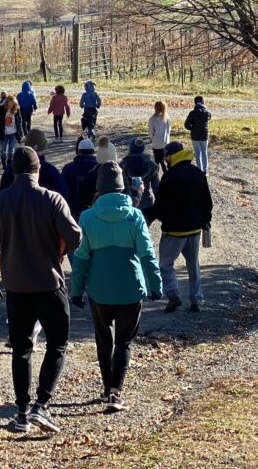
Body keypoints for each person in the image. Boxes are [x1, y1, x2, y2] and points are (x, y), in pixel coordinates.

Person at [0, 146, 82, 435]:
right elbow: (75, 237)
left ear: (12, 171)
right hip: (49, 284)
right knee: (57, 343)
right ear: (37, 170)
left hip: (16, 287)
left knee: (21, 350)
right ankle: (42, 404)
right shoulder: (52, 199)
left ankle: (22, 412)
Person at [69, 163, 162, 412]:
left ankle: (106, 386)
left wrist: (76, 290)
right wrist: (156, 285)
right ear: (122, 187)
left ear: (99, 188)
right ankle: (115, 392)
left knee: (104, 339)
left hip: (99, 290)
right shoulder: (134, 216)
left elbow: (81, 258)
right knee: (124, 342)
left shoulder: (87, 217)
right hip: (131, 287)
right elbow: (148, 254)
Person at [148, 142, 212, 313]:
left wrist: (147, 218)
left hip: (174, 231)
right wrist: (205, 220)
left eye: (166, 156)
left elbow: (160, 205)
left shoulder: (170, 177)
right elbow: (207, 201)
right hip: (194, 229)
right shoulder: (198, 173)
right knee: (193, 265)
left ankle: (173, 295)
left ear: (171, 156)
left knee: (165, 265)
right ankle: (196, 299)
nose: (165, 160)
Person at [0, 128, 70, 205]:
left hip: (13, 214)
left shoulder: (10, 169)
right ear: (44, 148)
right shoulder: (50, 171)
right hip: (44, 214)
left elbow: (1, 197)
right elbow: (63, 195)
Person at [60, 136, 99, 219]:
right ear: (93, 151)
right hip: (96, 213)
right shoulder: (100, 168)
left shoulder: (68, 169)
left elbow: (62, 191)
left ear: (78, 151)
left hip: (73, 213)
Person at [120, 137, 159, 212]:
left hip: (128, 201)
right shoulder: (152, 165)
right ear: (143, 148)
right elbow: (156, 187)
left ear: (131, 148)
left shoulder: (123, 164)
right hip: (147, 201)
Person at [184, 96, 212, 172]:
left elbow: (186, 125)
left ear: (195, 103)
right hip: (204, 135)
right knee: (204, 152)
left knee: (197, 153)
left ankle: (200, 169)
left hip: (195, 136)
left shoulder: (192, 113)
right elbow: (210, 117)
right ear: (203, 102)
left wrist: (192, 128)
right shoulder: (207, 113)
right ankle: (205, 170)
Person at [0, 97, 22, 167]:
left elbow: (19, 122)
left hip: (13, 133)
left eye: (12, 104)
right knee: (3, 151)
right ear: (7, 103)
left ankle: (9, 165)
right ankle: (4, 163)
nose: (11, 105)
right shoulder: (1, 109)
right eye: (9, 103)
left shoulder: (16, 110)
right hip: (4, 133)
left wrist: (20, 133)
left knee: (11, 151)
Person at [148, 100, 172, 171]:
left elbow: (151, 132)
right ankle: (167, 176)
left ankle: (155, 177)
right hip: (166, 143)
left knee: (157, 161)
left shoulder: (152, 119)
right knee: (164, 161)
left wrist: (152, 139)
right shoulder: (167, 118)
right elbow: (169, 130)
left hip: (156, 143)